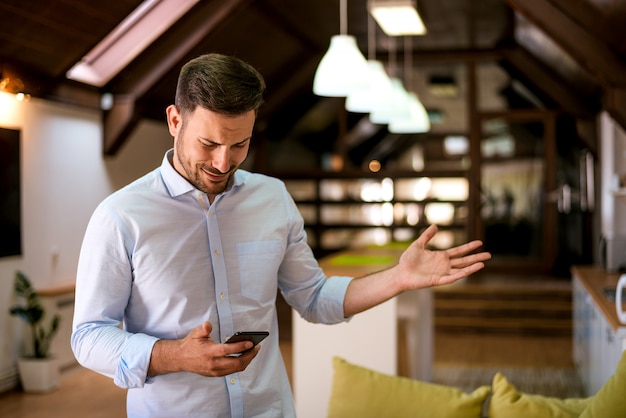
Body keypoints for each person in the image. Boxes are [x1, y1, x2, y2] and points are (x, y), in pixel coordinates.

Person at [71, 53, 491, 418]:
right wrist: (174, 355)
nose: (223, 161)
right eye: (209, 143)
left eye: (240, 145)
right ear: (174, 120)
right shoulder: (120, 216)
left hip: (267, 409)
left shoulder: (271, 198)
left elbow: (313, 298)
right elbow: (88, 335)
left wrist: (398, 278)